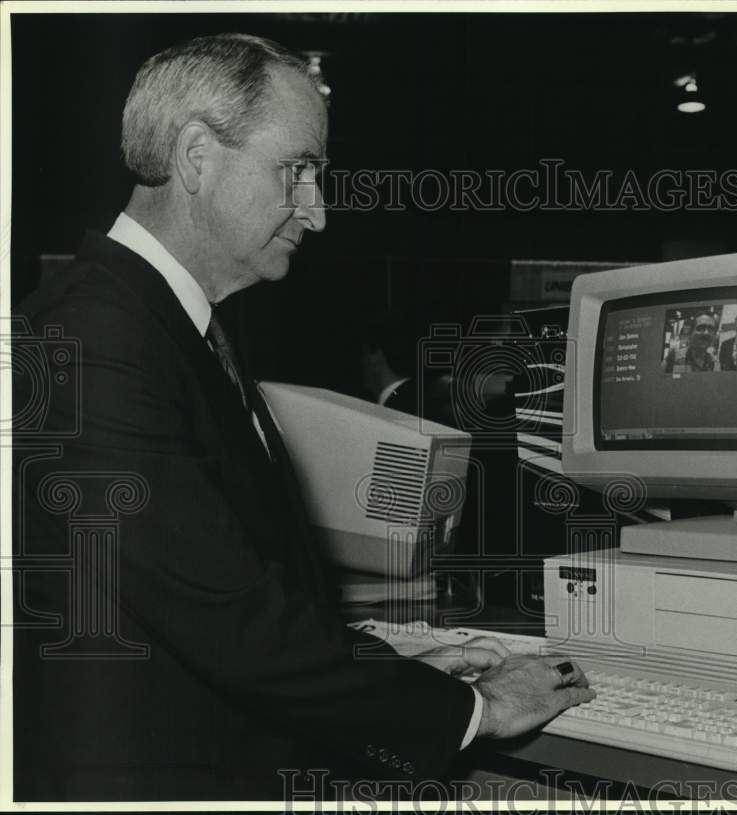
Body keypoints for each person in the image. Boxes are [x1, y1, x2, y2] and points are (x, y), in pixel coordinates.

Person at [12, 33, 593, 802]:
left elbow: (237, 588)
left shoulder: (162, 325)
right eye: (299, 172)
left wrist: (385, 669)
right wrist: (477, 707)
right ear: (195, 157)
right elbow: (233, 620)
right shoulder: (95, 338)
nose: (317, 213)